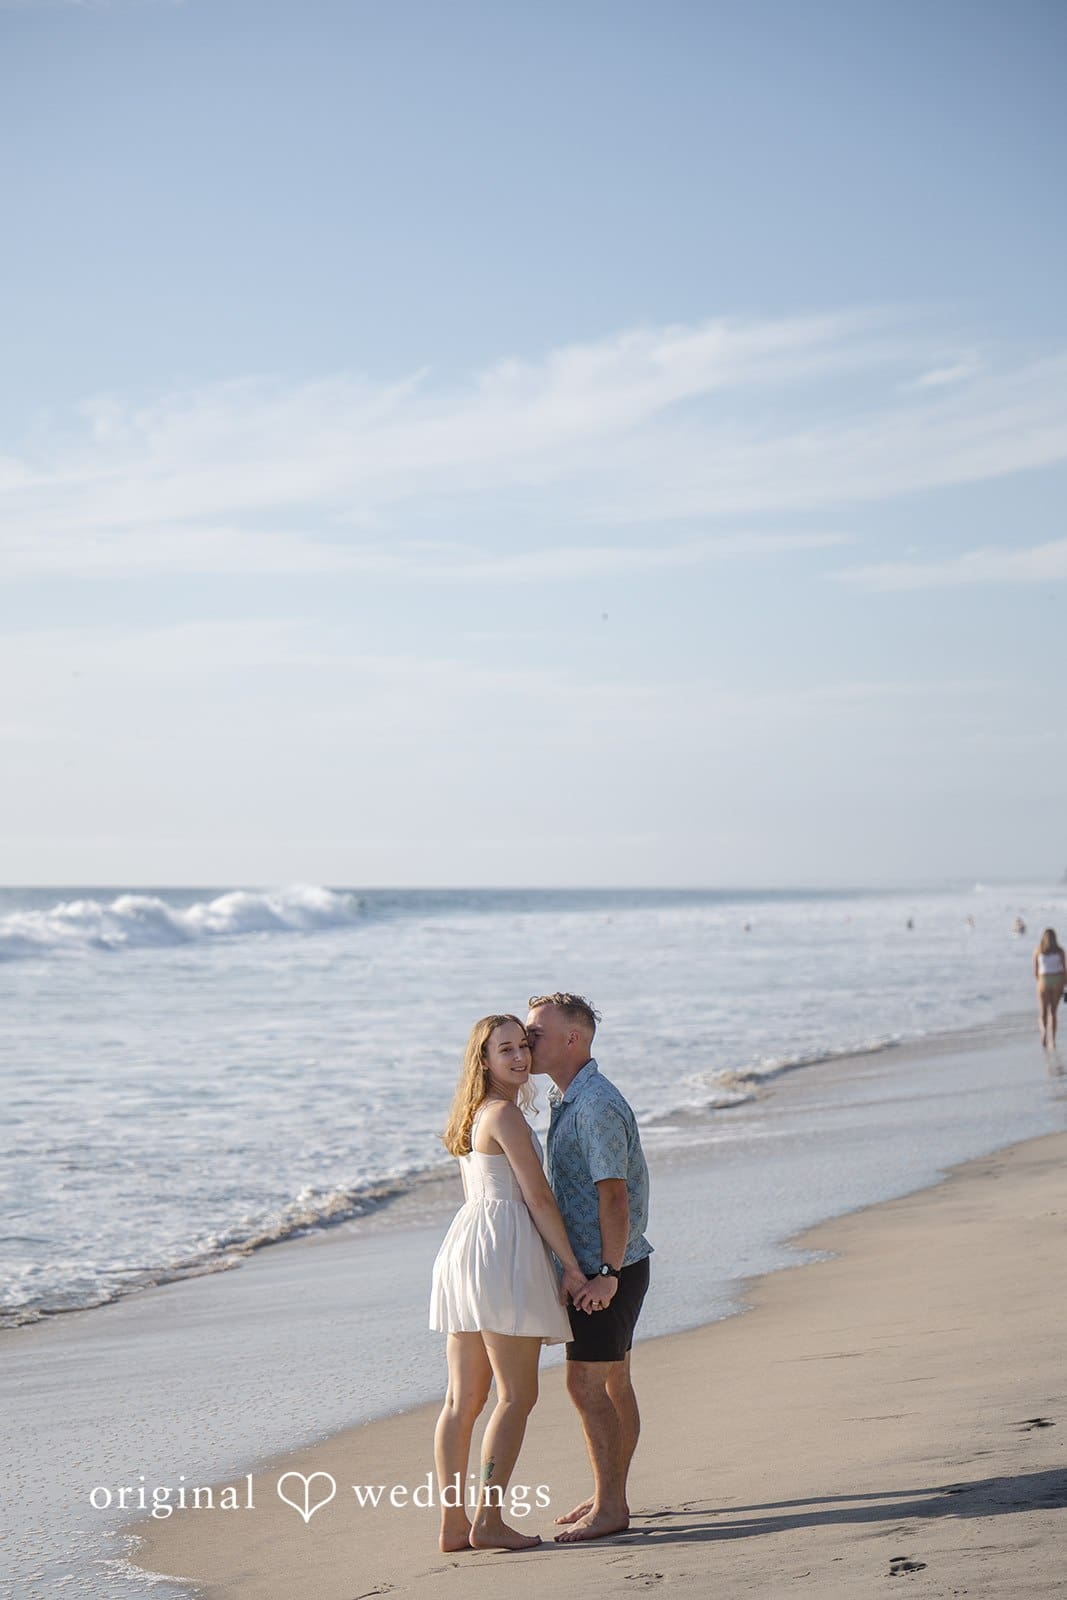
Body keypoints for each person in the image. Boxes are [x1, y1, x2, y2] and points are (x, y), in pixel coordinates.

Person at [429, 1014, 590, 1553]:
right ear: (485, 1060)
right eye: (507, 1050)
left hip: (466, 1247)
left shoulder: (473, 1114)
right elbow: (538, 1198)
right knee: (517, 1394)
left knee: (462, 1401)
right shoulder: (506, 1115)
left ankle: (455, 1523)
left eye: (524, 1046)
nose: (521, 1057)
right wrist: (570, 1264)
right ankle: (489, 1520)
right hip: (503, 1250)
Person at [525, 992, 652, 1544]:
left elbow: (614, 1198)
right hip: (618, 1264)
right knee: (613, 1382)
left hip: (611, 1269)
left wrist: (606, 1272)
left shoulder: (593, 1104)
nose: (528, 1041)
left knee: (585, 1385)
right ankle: (610, 1494)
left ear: (572, 1039)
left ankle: (612, 1507)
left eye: (536, 1033)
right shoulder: (568, 1098)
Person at [1033, 929, 1066, 1047]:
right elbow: (1064, 970)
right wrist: (1064, 985)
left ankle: (1043, 1033)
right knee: (1053, 1012)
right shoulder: (1060, 951)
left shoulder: (1038, 951)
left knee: (1043, 1012)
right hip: (1057, 981)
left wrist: (1041, 982)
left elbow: (1035, 972)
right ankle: (1052, 1040)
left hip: (1044, 980)